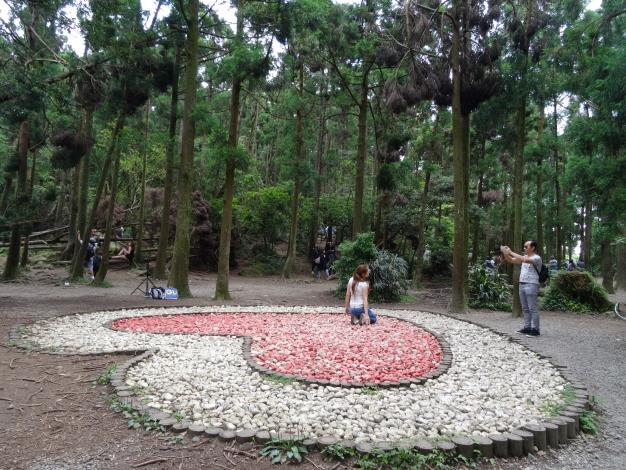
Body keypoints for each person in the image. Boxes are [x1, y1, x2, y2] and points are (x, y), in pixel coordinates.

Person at [501, 241, 542, 337]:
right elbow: (511, 260)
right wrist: (505, 253)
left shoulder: (536, 258)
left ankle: (535, 330)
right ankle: (527, 328)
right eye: (524, 246)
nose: (524, 248)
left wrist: (510, 251)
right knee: (525, 308)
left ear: (532, 248)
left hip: (532, 284)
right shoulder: (524, 258)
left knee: (533, 308)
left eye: (526, 246)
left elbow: (524, 259)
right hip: (522, 284)